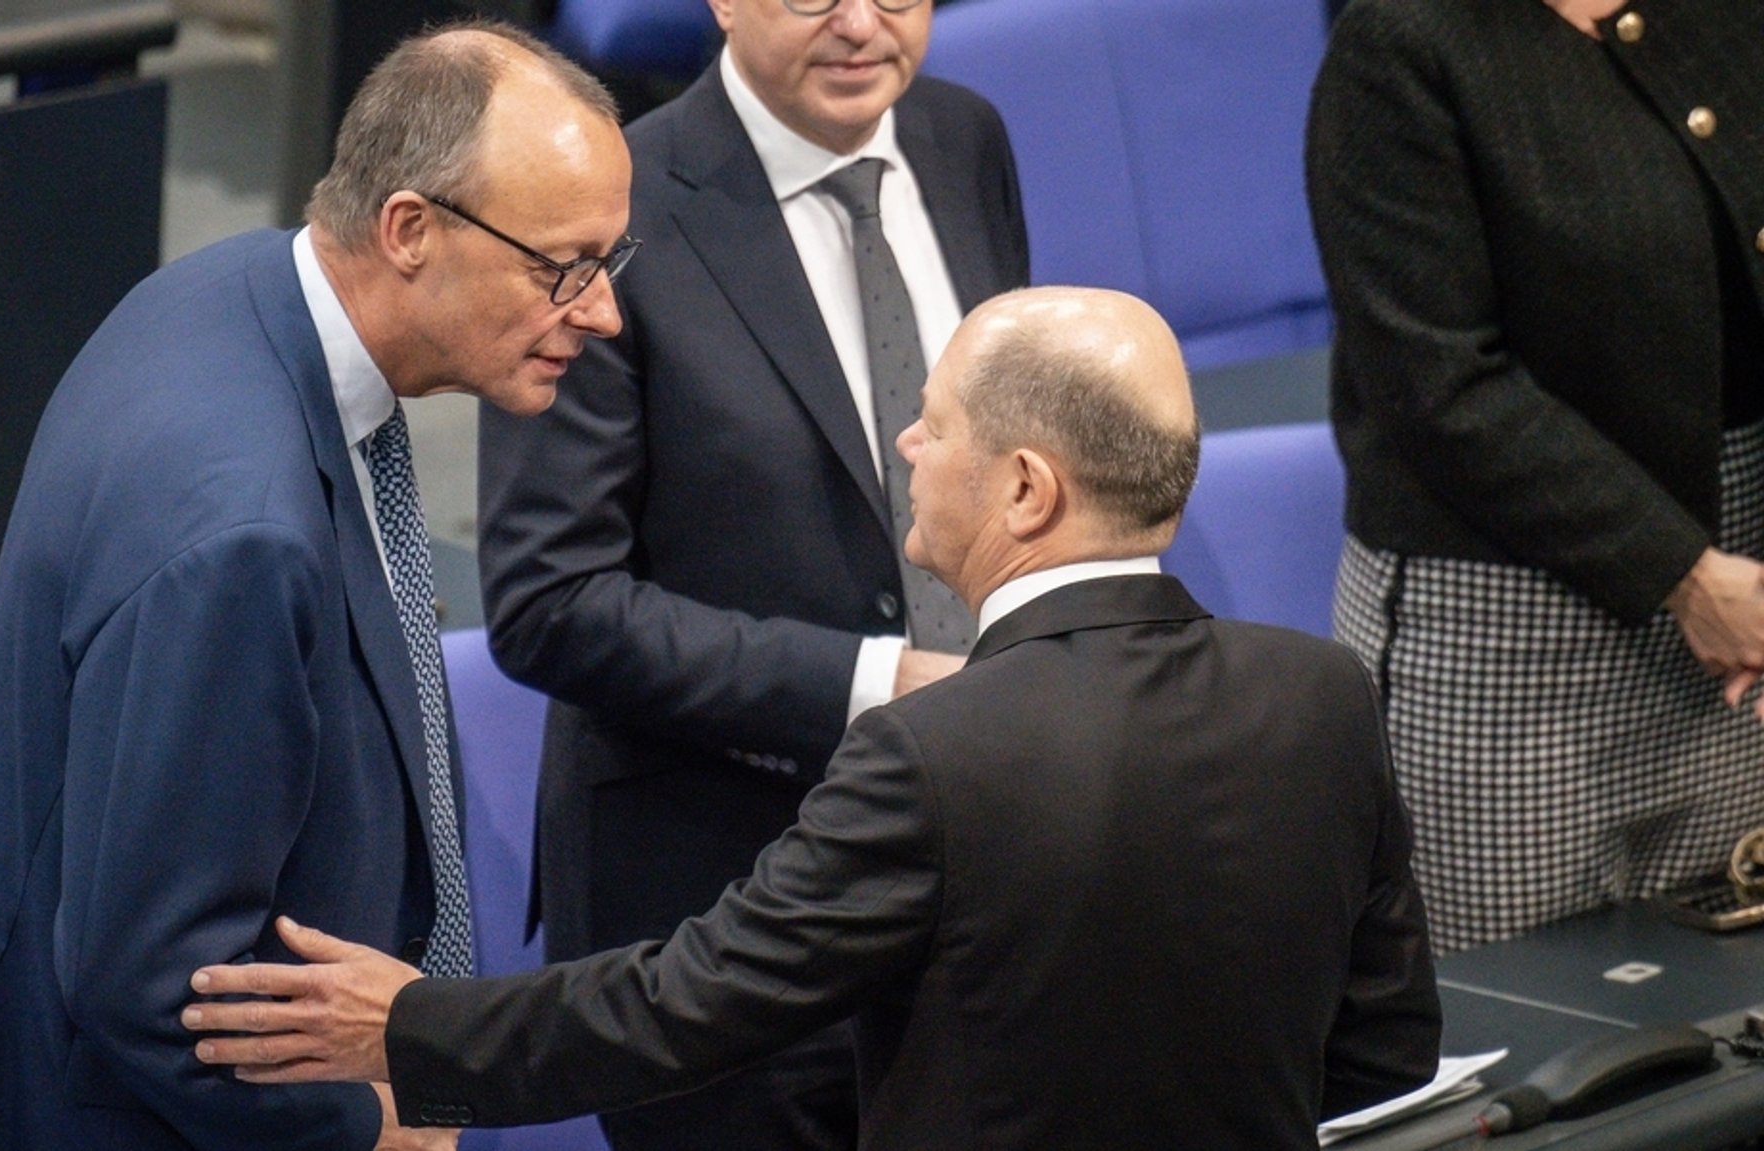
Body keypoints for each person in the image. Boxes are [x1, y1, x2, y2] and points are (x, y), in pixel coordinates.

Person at [184, 287, 1444, 1151]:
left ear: (1023, 486)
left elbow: (681, 1004)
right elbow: (1383, 1047)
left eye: (935, 422)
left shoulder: (933, 755)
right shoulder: (1320, 693)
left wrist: (408, 1026)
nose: (904, 438)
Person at [0, 23, 634, 1151]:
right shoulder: (240, 534)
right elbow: (152, 981)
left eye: (611, 260)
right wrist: (368, 1121)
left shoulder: (235, 290)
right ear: (409, 229)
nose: (600, 309)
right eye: (563, 266)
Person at [474, 0, 1026, 1142]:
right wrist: (878, 684)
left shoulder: (962, 138)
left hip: (964, 864)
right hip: (715, 896)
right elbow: (548, 601)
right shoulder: (608, 200)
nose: (862, 24)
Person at [1307, 0, 1764, 952]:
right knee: (1528, 1044)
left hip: (1742, 613)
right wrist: (1684, 571)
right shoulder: (1401, 43)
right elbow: (1436, 380)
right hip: (1505, 634)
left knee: (1727, 1031)